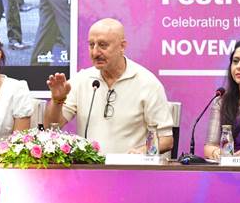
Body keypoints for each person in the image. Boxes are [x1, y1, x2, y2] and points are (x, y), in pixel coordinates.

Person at [44, 18, 173, 154]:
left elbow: (166, 140)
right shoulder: (81, 80)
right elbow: (51, 127)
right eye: (91, 45)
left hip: (129, 166)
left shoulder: (147, 83)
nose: (95, 53)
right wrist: (57, 100)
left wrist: (141, 152)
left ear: (122, 46)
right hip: (89, 166)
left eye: (103, 45)